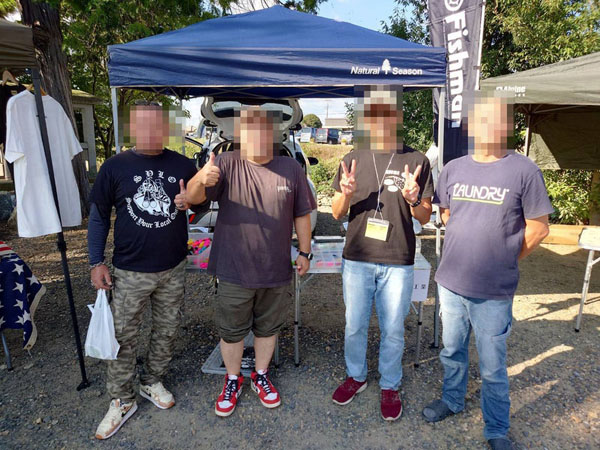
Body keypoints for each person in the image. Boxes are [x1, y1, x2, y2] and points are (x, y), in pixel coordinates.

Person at [422, 94, 553, 450]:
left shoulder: (524, 170)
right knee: (452, 350)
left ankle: (496, 428)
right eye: (481, 119)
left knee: (493, 366)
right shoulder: (453, 168)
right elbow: (447, 214)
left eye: (497, 120)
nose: (489, 127)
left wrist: (505, 257)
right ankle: (452, 399)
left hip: (493, 290)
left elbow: (539, 228)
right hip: (450, 283)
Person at [183, 107, 316, 417]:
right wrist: (201, 178)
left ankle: (261, 375)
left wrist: (305, 252)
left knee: (268, 328)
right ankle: (232, 379)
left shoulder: (290, 168)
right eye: (250, 131)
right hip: (233, 268)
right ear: (242, 135)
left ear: (272, 134)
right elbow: (192, 198)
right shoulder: (225, 163)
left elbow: (302, 214)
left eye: (263, 130)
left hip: (275, 267)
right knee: (232, 330)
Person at [88, 102, 199, 440]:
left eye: (158, 125)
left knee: (167, 329)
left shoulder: (183, 164)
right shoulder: (115, 166)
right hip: (130, 270)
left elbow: (203, 201)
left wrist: (189, 202)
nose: (151, 131)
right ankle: (122, 399)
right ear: (133, 128)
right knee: (123, 335)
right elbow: (98, 216)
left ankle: (152, 380)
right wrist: (96, 261)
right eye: (143, 125)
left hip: (173, 267)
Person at [330, 86, 434, 421]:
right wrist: (346, 194)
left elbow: (425, 216)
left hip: (398, 259)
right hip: (357, 258)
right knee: (354, 325)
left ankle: (390, 384)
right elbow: (336, 212)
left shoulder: (417, 161)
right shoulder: (353, 158)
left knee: (393, 329)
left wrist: (414, 199)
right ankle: (356, 376)